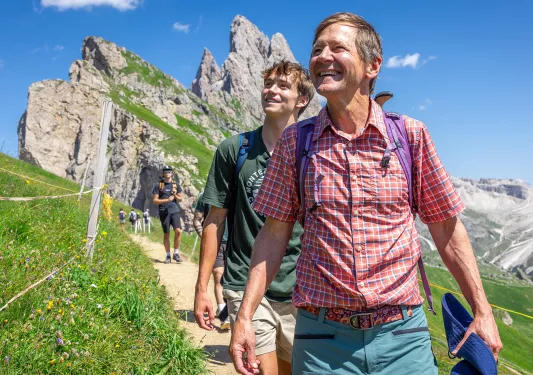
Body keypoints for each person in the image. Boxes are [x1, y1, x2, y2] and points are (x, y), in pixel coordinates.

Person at [229, 12, 502, 375]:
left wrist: (482, 311)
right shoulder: (296, 142)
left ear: (372, 65)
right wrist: (244, 315)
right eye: (317, 49)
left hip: (403, 337)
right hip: (321, 340)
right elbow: (274, 234)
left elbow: (447, 232)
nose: (322, 56)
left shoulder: (410, 136)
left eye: (337, 48)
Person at [194, 60, 315, 375]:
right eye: (268, 83)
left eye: (282, 85)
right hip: (244, 283)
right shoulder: (235, 150)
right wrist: (202, 288)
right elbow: (214, 221)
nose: (271, 90)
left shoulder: (314, 153)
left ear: (302, 99)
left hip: (298, 292)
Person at [193, 191, 231, 330]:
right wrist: (205, 239)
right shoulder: (204, 196)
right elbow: (197, 219)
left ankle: (228, 310)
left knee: (231, 281)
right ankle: (224, 315)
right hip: (216, 243)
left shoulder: (235, 190)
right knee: (218, 275)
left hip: (235, 242)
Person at [152, 165, 183, 264]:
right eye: (165, 171)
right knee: (166, 234)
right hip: (163, 211)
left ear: (172, 173)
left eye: (169, 171)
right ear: (163, 173)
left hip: (174, 210)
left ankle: (176, 253)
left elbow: (180, 199)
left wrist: (174, 195)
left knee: (178, 231)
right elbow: (155, 200)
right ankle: (168, 255)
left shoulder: (176, 185)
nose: (167, 173)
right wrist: (167, 200)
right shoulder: (159, 185)